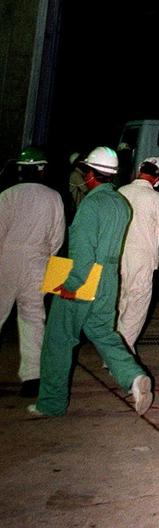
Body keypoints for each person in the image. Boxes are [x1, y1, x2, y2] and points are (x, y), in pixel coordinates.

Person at [30, 146, 153, 418]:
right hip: (109, 278)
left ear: (90, 173)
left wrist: (71, 284)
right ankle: (133, 377)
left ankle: (51, 403)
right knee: (103, 333)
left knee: (59, 340)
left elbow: (84, 252)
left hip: (86, 278)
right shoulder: (121, 203)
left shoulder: (91, 205)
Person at [0, 147, 66, 397]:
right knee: (33, 320)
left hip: (6, 260)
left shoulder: (7, 196)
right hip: (37, 262)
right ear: (41, 169)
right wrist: (46, 260)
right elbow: (57, 238)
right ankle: (32, 378)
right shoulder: (53, 196)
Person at [118, 157, 159, 351]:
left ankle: (112, 351)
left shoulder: (121, 192)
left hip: (118, 257)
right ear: (158, 178)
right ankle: (122, 356)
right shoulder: (154, 198)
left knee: (120, 305)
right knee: (136, 307)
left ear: (140, 170)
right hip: (142, 260)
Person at [68, 151, 88, 215]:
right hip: (79, 208)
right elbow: (87, 191)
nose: (84, 161)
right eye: (81, 160)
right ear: (76, 163)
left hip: (81, 207)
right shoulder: (75, 174)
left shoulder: (81, 173)